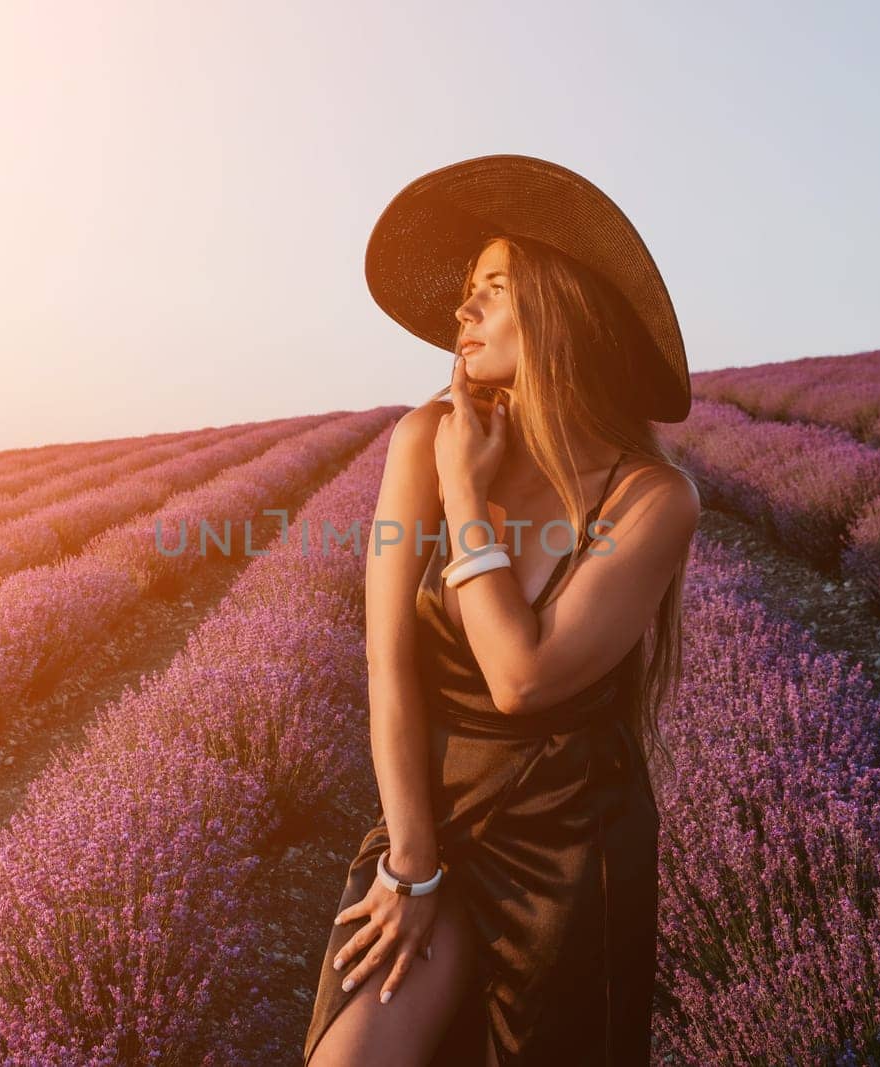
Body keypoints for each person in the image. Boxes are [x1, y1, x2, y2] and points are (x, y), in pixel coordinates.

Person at [304, 155, 701, 1066]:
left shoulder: (653, 498)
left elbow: (522, 677)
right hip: (430, 819)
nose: (460, 311)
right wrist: (410, 860)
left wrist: (465, 491)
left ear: (561, 309)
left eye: (491, 288)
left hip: (571, 848)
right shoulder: (421, 436)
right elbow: (388, 663)